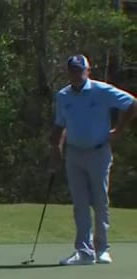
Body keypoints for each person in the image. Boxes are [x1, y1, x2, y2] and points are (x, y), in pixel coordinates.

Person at [50, 54, 136, 266]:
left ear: (88, 71)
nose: (76, 74)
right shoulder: (63, 96)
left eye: (80, 70)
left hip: (99, 152)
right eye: (73, 70)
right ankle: (83, 251)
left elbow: (132, 103)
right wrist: (55, 147)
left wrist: (119, 130)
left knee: (100, 201)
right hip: (75, 153)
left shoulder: (101, 90)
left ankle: (103, 249)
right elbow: (60, 124)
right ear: (68, 72)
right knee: (80, 204)